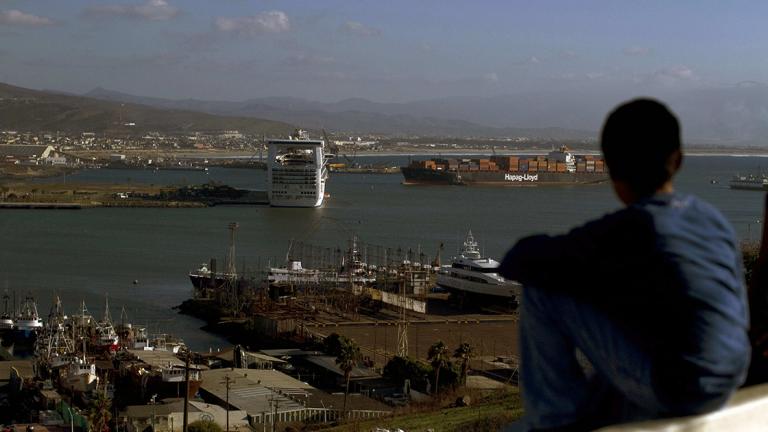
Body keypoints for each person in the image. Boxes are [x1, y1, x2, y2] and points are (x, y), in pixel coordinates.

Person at [499, 98, 751, 431]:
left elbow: (519, 261)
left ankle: (554, 419)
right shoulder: (711, 219)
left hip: (682, 389)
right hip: (732, 375)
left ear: (611, 169)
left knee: (543, 291)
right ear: (678, 160)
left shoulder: (631, 228)